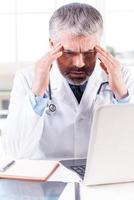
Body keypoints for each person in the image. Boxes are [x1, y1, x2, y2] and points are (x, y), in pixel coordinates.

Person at [1, 3, 134, 159]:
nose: (80, 63)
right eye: (69, 53)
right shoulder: (28, 78)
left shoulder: (123, 76)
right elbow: (12, 153)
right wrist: (37, 94)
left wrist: (122, 96)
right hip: (47, 179)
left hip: (102, 178)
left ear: (99, 45)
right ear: (52, 45)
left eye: (88, 52)